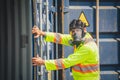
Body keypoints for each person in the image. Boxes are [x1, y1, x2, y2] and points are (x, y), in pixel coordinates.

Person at [32, 19, 100, 80]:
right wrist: (42, 33)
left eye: (77, 31)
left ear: (84, 30)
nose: (75, 34)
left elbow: (67, 62)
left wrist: (43, 62)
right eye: (73, 31)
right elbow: (62, 38)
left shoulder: (87, 48)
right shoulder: (82, 38)